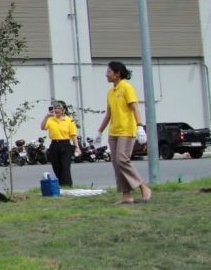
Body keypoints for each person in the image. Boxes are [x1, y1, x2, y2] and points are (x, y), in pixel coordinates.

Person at [91, 61, 152, 204]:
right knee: (116, 163)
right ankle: (127, 195)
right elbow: (109, 114)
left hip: (126, 131)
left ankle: (142, 186)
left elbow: (135, 108)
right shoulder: (111, 92)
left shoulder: (127, 87)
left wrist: (140, 126)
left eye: (109, 72)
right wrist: (99, 132)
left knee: (122, 160)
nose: (106, 74)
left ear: (117, 74)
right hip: (114, 132)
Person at [41, 101, 80, 187]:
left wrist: (77, 147)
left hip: (65, 144)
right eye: (55, 109)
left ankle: (68, 185)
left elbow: (73, 135)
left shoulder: (69, 120)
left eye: (59, 109)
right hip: (54, 144)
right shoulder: (50, 119)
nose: (57, 111)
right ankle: (61, 184)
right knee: (56, 166)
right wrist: (47, 116)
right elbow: (42, 127)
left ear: (63, 110)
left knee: (65, 166)